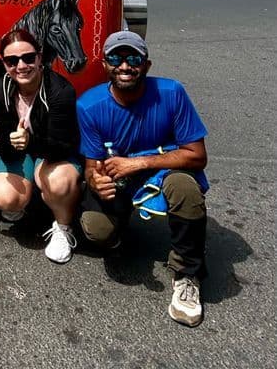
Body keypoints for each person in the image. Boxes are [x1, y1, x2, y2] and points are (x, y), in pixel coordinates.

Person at [77, 31, 209, 327]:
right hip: (121, 178)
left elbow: (197, 155)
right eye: (116, 58)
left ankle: (188, 271)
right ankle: (121, 226)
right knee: (96, 229)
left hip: (163, 172)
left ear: (146, 65)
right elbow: (91, 165)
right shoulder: (89, 105)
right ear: (104, 65)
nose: (125, 66)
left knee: (186, 189)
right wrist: (95, 180)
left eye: (133, 58)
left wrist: (138, 163)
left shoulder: (172, 93)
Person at [0, 28, 81, 264]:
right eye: (12, 60)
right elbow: (5, 149)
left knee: (57, 182)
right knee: (6, 198)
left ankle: (63, 226)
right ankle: (25, 202)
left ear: (40, 58)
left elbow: (64, 146)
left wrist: (31, 141)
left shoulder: (61, 91)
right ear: (4, 63)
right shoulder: (1, 90)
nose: (21, 66)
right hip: (20, 152)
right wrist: (0, 141)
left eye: (28, 58)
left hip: (53, 153)